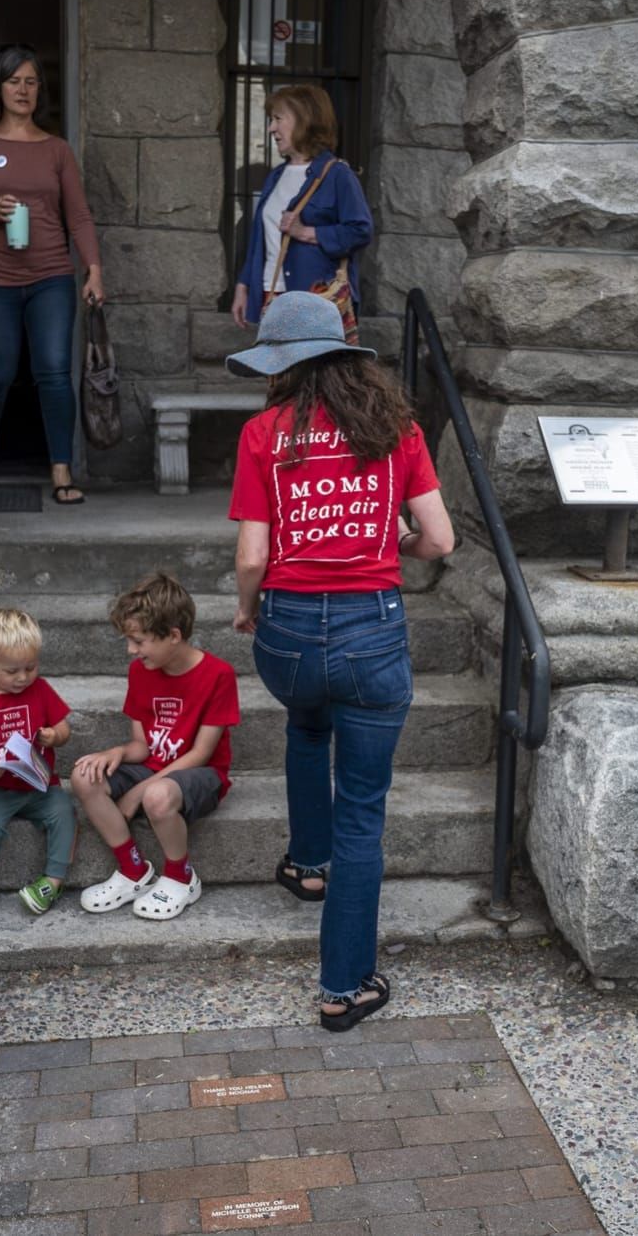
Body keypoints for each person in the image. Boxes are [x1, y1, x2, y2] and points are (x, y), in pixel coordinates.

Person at [226, 293, 456, 1031]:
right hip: (372, 633)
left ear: (281, 367)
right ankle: (344, 987)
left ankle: (307, 865)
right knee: (363, 812)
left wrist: (247, 610)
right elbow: (440, 541)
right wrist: (394, 544)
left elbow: (252, 556)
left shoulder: (262, 433)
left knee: (306, 721)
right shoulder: (397, 430)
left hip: (288, 632)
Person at [0, 44, 103, 506]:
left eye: (31, 81)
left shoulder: (57, 150)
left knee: (53, 372)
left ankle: (61, 469)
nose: (23, 90)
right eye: (14, 81)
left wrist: (93, 271)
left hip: (51, 276)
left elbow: (79, 216)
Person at [69, 573, 240, 921]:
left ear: (173, 636)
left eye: (138, 641)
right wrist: (116, 753)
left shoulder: (218, 675)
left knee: (156, 796)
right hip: (152, 768)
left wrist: (137, 792)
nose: (131, 650)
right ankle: (132, 869)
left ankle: (181, 877)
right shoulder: (141, 671)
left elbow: (200, 754)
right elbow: (143, 746)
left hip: (199, 774)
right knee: (84, 776)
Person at [0, 608, 77, 918]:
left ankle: (53, 881)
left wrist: (54, 736)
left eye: (30, 667)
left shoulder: (41, 689)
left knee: (65, 812)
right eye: (11, 671)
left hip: (39, 784)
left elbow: (64, 728)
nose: (22, 677)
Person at [230, 85, 373, 339]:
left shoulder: (338, 174)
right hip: (271, 294)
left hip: (316, 298)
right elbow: (259, 239)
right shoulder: (276, 176)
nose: (271, 128)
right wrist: (243, 285)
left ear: (304, 119)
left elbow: (361, 231)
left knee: (311, 366)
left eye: (278, 119)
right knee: (277, 365)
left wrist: (306, 232)